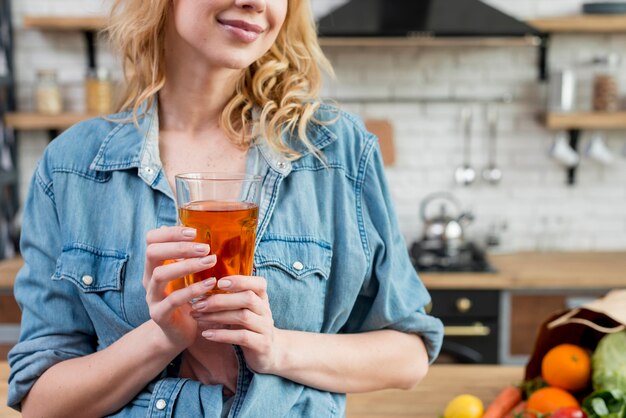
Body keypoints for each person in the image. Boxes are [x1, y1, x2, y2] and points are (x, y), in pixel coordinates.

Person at [8, 0, 444, 416]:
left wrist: (276, 348)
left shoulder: (335, 151)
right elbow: (41, 403)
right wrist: (162, 338)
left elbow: (408, 355)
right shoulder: (71, 167)